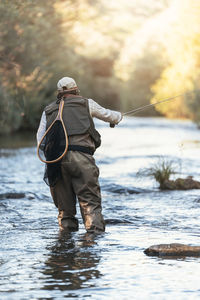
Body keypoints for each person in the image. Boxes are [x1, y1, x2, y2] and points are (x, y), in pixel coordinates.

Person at [37, 77, 122, 233]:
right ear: (76, 89)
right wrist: (119, 117)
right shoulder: (87, 103)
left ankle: (64, 249)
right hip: (82, 158)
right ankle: (91, 245)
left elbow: (40, 141)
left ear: (59, 93)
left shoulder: (48, 110)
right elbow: (110, 116)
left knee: (64, 209)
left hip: (56, 161)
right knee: (90, 204)